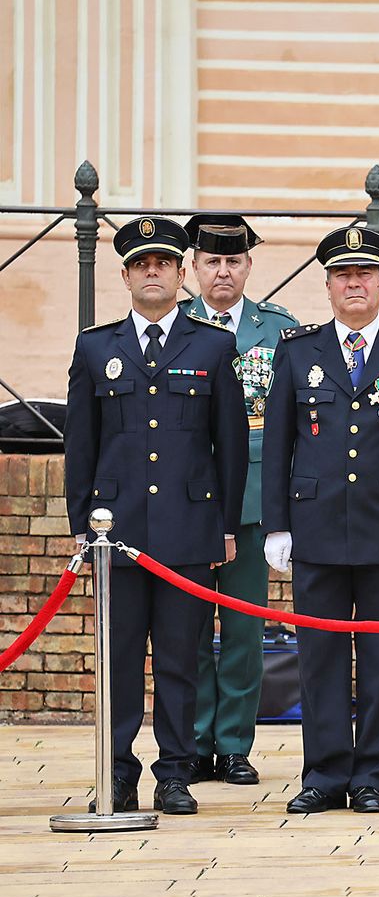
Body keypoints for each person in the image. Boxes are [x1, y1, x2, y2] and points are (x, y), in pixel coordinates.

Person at [261, 226, 379, 814]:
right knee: (318, 656)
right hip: (315, 523)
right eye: (343, 275)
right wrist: (276, 525)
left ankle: (373, 775)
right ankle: (322, 774)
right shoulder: (298, 350)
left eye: (365, 274)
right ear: (328, 286)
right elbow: (277, 446)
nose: (354, 284)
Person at [65, 216, 247, 815]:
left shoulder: (214, 345)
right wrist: (79, 526)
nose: (152, 272)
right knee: (119, 664)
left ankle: (175, 772)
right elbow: (81, 445)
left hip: (187, 529)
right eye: (141, 264)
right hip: (115, 530)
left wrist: (223, 525)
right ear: (124, 275)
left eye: (163, 263)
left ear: (179, 273)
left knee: (179, 660)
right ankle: (116, 772)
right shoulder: (96, 347)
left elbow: (230, 442)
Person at [177, 215, 297, 788]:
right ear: (192, 270)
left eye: (233, 262)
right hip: (186, 497)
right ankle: (194, 740)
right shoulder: (173, 324)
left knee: (245, 629)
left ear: (248, 267)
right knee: (189, 628)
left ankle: (234, 745)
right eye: (211, 262)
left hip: (252, 496)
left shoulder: (278, 330)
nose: (222, 271)